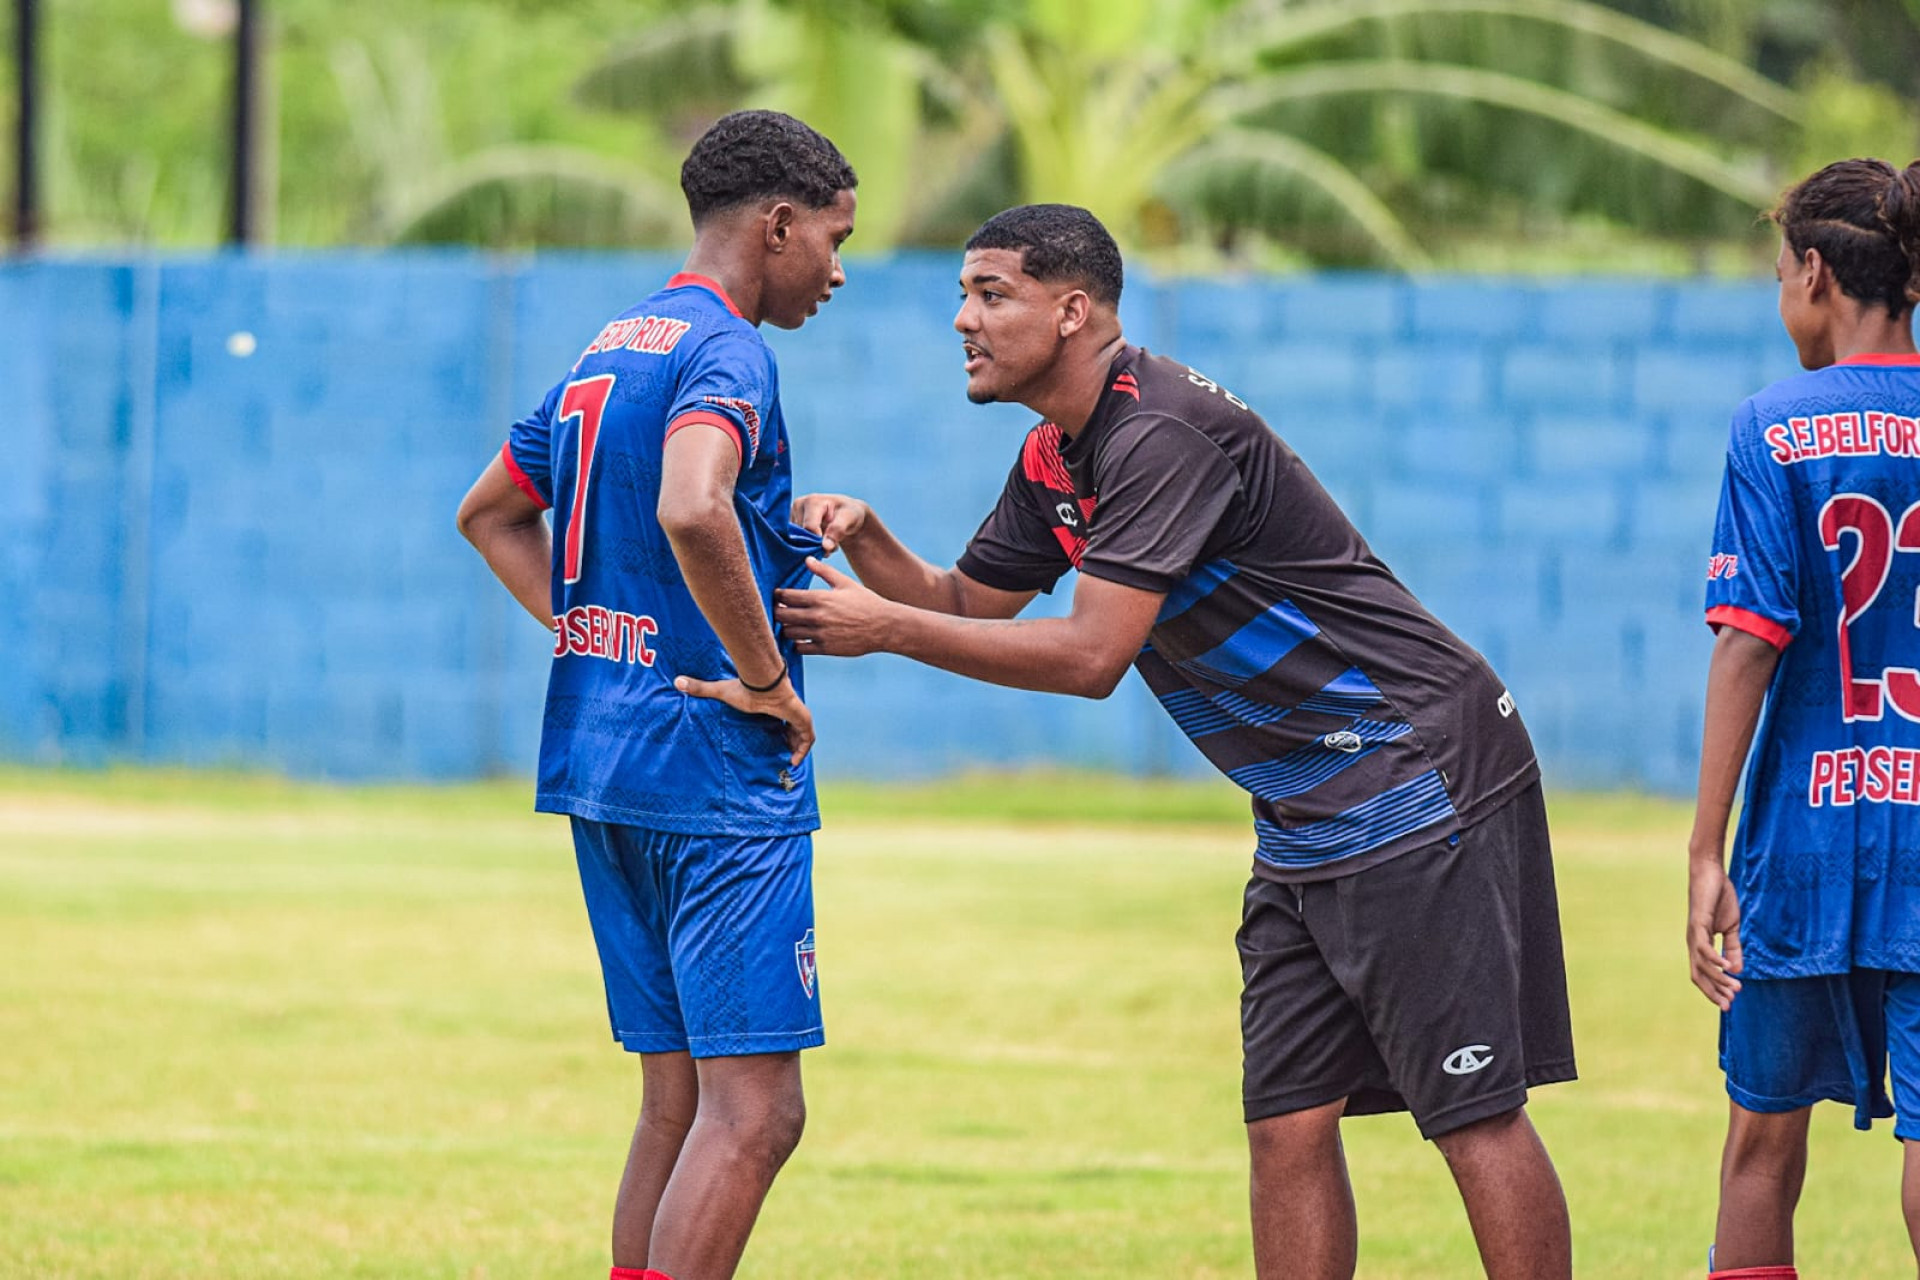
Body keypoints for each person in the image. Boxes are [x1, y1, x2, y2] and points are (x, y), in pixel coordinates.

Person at [748, 203, 1576, 1278]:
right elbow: (970, 597)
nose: (963, 318)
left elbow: (1092, 657)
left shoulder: (1156, 436)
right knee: (1286, 1119)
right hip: (1306, 807)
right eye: (964, 294)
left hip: (1413, 769)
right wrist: (875, 546)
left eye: (991, 294)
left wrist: (887, 628)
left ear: (1074, 309)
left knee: (1469, 1109)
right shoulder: (1060, 454)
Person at [454, 109, 855, 1280]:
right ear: (777, 224)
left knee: (677, 1106)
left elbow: (489, 513)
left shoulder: (610, 343)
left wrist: (597, 639)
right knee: (758, 1113)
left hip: (604, 760)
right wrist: (766, 680)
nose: (838, 268)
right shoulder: (728, 349)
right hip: (712, 771)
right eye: (832, 237)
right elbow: (693, 502)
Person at [1687, 157, 1920, 1280]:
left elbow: (1749, 638)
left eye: (1780, 270)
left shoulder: (1774, 427)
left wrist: (1701, 847)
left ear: (1816, 273)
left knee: (1761, 1146)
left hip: (1804, 844)